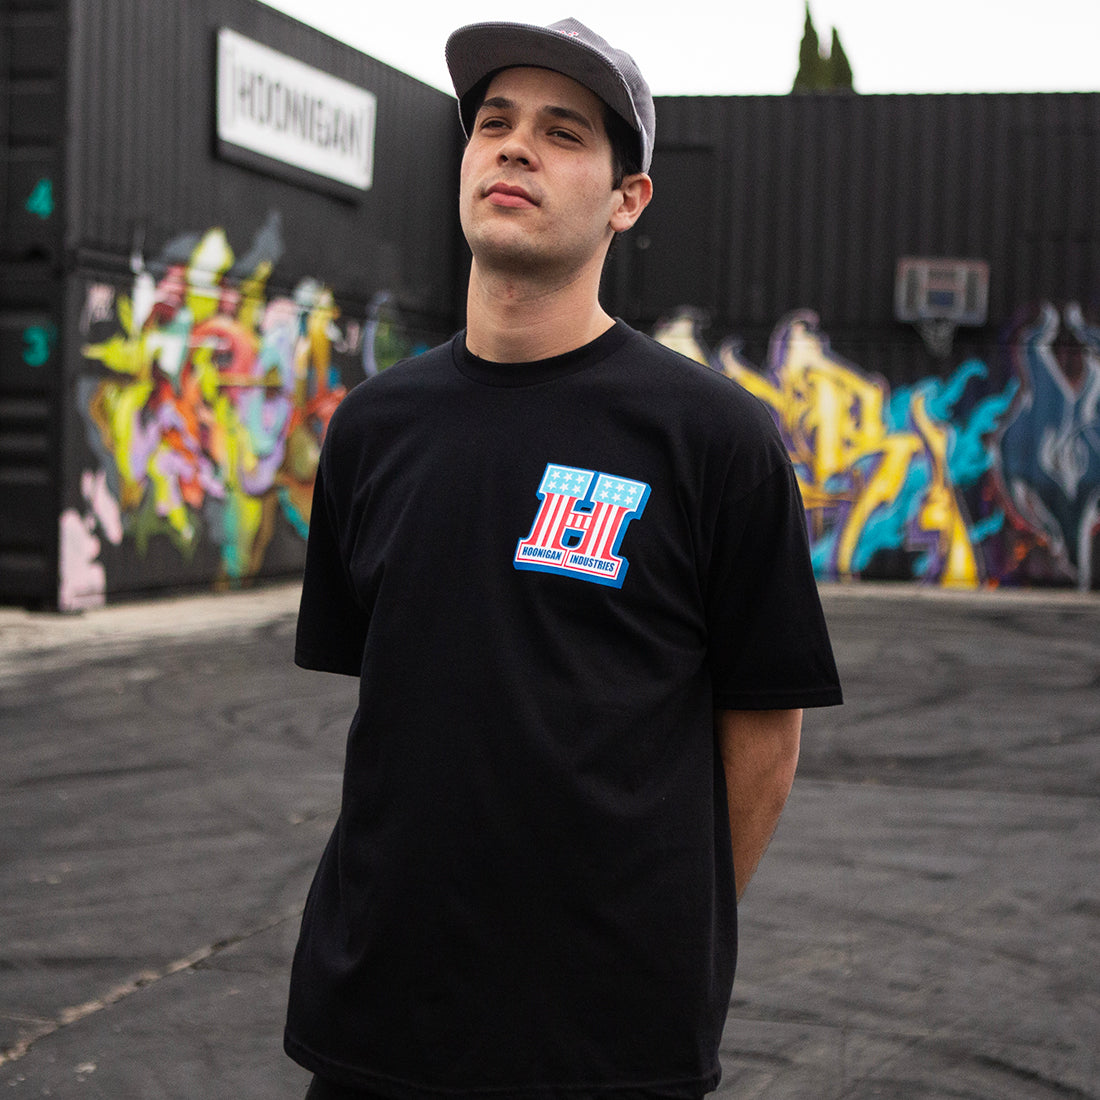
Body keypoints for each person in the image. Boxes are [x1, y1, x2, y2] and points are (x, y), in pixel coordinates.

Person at [285, 17, 842, 1100]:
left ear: (627, 197)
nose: (513, 147)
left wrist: (650, 929)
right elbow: (401, 713)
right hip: (377, 1021)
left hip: (607, 1041)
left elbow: (765, 731)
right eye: (491, 123)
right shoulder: (372, 427)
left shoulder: (710, 437)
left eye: (562, 132)